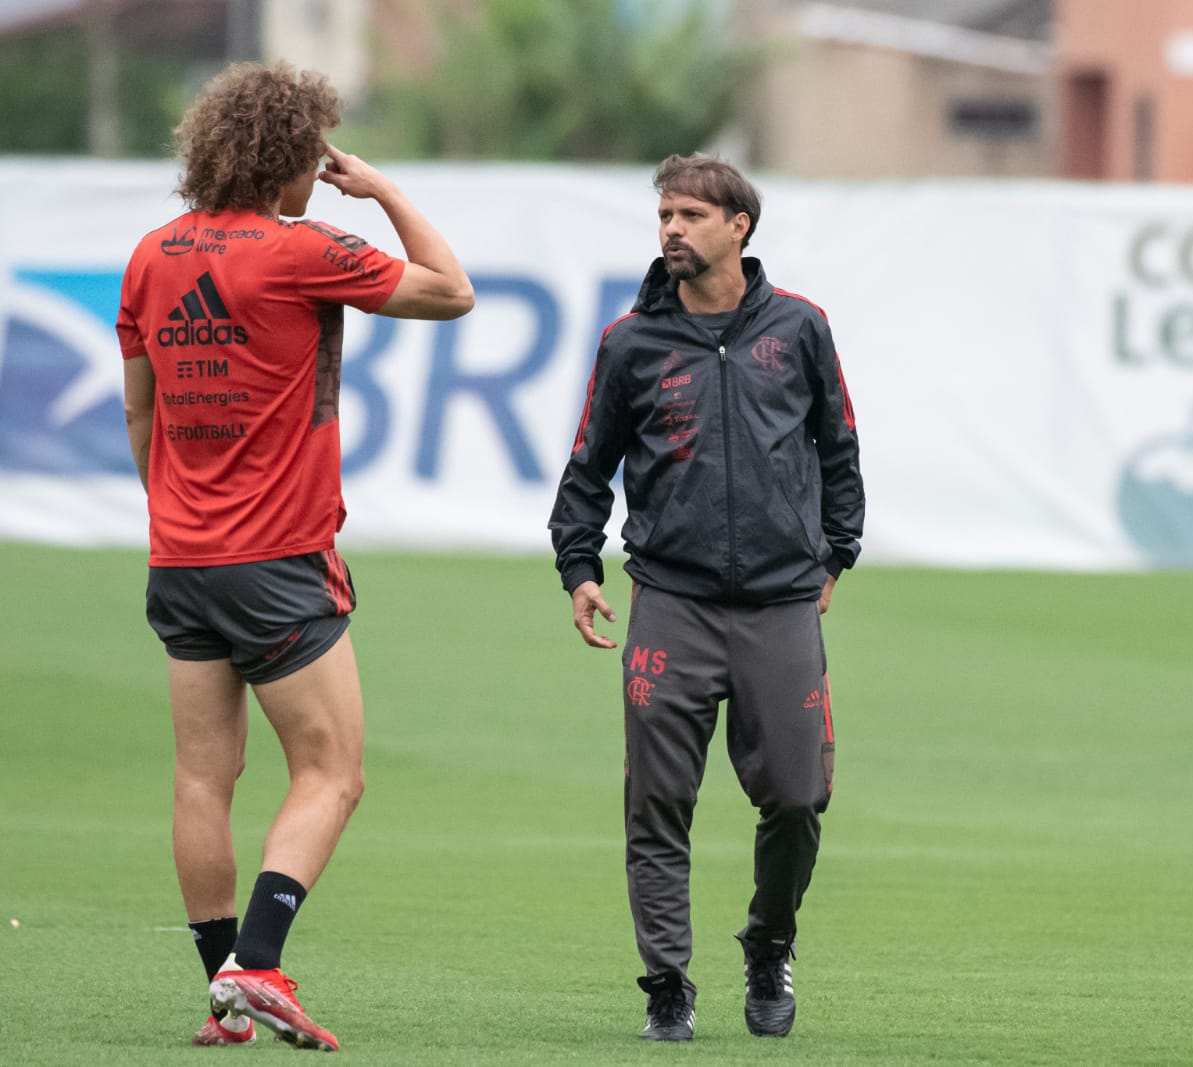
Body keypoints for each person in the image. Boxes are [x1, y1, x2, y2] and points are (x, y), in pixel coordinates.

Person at [117, 61, 473, 1050]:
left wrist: (183, 518)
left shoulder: (150, 255)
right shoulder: (300, 247)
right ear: (292, 161)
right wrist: (388, 191)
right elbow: (451, 292)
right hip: (275, 560)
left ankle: (223, 993)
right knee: (331, 771)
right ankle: (260, 961)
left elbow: (141, 412)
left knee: (203, 779)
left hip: (178, 559)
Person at [549, 153, 865, 1042]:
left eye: (691, 214)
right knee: (657, 803)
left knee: (800, 798)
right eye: (664, 215)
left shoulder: (800, 329)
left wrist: (837, 551)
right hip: (671, 607)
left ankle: (769, 944)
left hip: (780, 606)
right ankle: (667, 984)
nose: (672, 230)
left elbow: (839, 447)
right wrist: (579, 567)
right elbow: (587, 468)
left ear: (740, 227)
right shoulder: (630, 344)